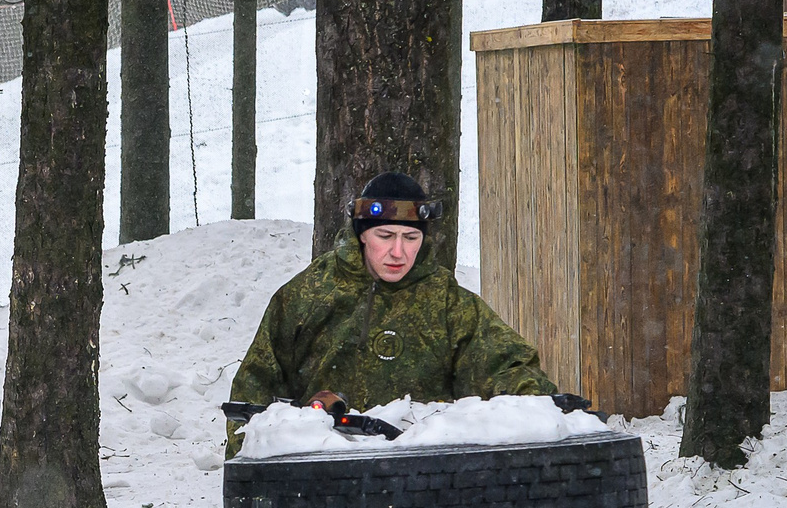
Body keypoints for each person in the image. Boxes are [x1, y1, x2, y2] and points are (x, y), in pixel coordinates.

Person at [229, 173, 553, 426]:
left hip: (422, 478)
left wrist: (537, 404)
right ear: (362, 234)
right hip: (323, 479)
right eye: (385, 236)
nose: (398, 252)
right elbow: (253, 392)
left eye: (411, 238)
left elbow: (506, 366)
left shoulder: (446, 302)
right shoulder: (306, 296)